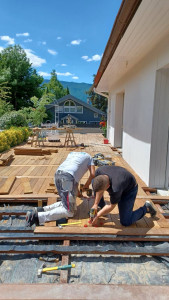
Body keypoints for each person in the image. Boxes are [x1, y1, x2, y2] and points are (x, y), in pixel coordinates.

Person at [26, 152, 95, 226]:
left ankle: (41, 209)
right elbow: (93, 174)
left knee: (66, 202)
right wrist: (86, 185)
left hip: (58, 175)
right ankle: (37, 217)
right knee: (70, 212)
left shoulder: (72, 154)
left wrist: (79, 195)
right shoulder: (90, 158)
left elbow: (74, 184)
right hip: (67, 178)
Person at [91, 165, 157, 226]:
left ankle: (146, 208)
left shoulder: (115, 188)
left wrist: (97, 215)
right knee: (94, 182)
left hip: (129, 189)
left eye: (103, 191)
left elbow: (111, 206)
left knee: (126, 221)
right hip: (121, 178)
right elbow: (98, 189)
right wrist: (95, 204)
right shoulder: (99, 171)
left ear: (108, 186)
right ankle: (100, 206)